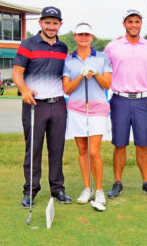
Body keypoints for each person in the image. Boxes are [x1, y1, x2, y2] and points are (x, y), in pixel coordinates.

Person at [12, 6, 72, 207]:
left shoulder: (63, 48)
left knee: (57, 149)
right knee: (34, 150)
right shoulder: (28, 44)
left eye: (55, 23)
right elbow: (17, 73)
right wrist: (24, 89)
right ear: (40, 23)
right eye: (47, 22)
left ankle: (57, 189)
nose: (51, 26)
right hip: (34, 106)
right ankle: (30, 191)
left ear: (60, 25)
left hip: (58, 104)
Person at [103, 9, 147, 199]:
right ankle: (117, 182)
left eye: (137, 21)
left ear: (141, 24)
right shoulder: (113, 46)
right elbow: (102, 67)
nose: (133, 25)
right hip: (119, 99)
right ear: (124, 24)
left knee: (142, 144)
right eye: (130, 21)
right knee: (120, 144)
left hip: (142, 100)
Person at [62, 22, 112, 207]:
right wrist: (80, 76)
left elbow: (107, 84)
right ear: (75, 37)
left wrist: (96, 74)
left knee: (93, 151)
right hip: (76, 109)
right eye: (80, 34)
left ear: (92, 37)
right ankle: (87, 187)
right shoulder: (68, 60)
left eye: (87, 34)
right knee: (82, 150)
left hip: (97, 108)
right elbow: (67, 89)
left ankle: (99, 189)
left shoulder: (102, 58)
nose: (83, 37)